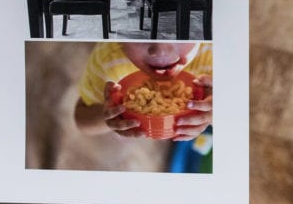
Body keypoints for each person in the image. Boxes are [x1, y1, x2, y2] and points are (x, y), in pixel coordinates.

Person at [74, 42, 212, 141]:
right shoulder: (108, 60)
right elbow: (81, 119)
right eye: (141, 34)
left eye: (180, 32)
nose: (160, 52)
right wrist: (110, 116)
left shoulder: (219, 55)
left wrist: (218, 111)